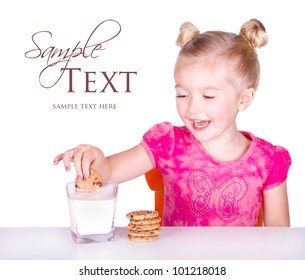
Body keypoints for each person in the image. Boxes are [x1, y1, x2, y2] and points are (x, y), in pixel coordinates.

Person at [54, 19, 291, 227]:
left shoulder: (269, 160)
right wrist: (94, 159)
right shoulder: (168, 143)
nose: (192, 108)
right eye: (182, 94)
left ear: (244, 98)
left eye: (208, 96)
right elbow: (110, 171)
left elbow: (277, 241)